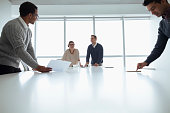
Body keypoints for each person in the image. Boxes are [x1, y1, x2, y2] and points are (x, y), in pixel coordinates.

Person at [0, 2, 52, 75]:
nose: (37, 18)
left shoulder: (28, 30)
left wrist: (36, 65)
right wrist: (37, 67)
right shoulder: (13, 26)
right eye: (36, 15)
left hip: (14, 66)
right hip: (4, 66)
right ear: (30, 15)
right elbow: (20, 50)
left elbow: (29, 48)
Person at [137, 0, 170, 70]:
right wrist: (146, 62)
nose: (152, 13)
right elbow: (159, 47)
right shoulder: (163, 25)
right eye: (150, 11)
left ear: (163, 1)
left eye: (153, 8)